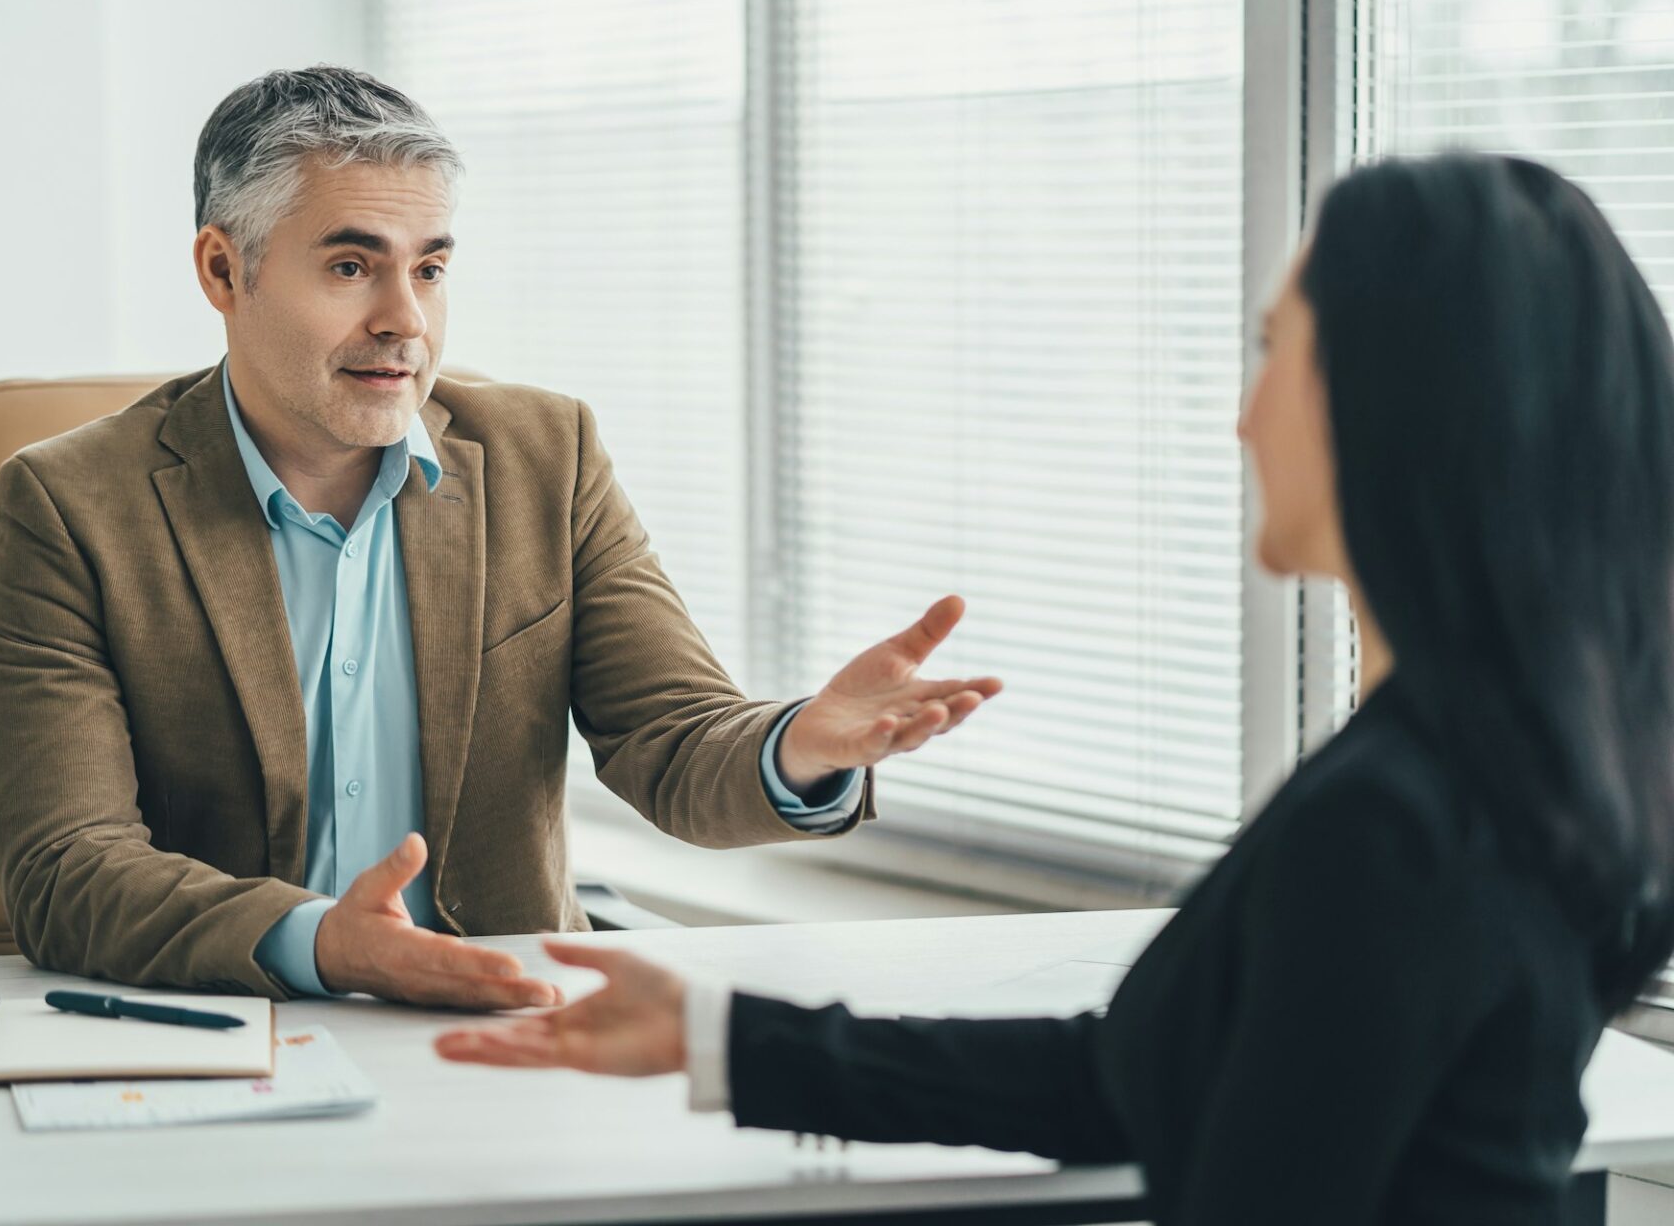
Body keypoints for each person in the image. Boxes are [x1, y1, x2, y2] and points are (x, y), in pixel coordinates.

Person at [433, 152, 1674, 1224]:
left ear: (1395, 406)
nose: (1244, 420)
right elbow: (1135, 1077)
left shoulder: (1394, 826)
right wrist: (714, 1037)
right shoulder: (1529, 770)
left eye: (1273, 354)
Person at [0, 66, 1001, 1007]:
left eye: (429, 269)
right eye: (349, 266)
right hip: (233, 1025)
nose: (404, 319)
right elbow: (68, 866)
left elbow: (674, 739)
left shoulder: (543, 457)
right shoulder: (71, 504)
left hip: (505, 1024)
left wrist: (800, 746)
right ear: (222, 269)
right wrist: (321, 941)